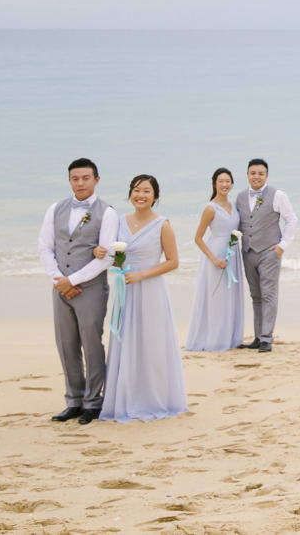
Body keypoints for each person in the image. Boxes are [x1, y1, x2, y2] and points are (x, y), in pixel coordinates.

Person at [98, 175, 187, 422]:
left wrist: (142, 275)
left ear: (155, 196)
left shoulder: (162, 225)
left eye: (147, 191)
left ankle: (152, 398)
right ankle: (125, 396)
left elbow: (173, 262)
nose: (141, 195)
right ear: (130, 194)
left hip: (151, 291)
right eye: (137, 190)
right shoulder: (118, 221)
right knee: (125, 340)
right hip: (124, 288)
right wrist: (102, 254)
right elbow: (107, 251)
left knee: (151, 343)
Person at [38, 157, 117, 425]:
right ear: (69, 180)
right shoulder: (55, 209)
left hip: (91, 288)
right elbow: (45, 247)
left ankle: (94, 402)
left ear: (96, 179)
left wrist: (73, 280)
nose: (80, 183)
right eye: (75, 178)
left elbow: (106, 257)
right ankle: (73, 400)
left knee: (92, 343)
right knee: (66, 344)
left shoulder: (107, 212)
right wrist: (58, 279)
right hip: (60, 286)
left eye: (85, 178)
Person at [234, 158, 298, 353]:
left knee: (269, 294)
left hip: (270, 252)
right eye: (253, 173)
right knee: (256, 296)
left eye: (261, 173)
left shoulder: (278, 195)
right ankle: (257, 336)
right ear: (247, 175)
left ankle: (267, 338)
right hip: (248, 252)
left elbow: (291, 219)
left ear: (266, 176)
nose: (256, 176)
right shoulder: (240, 197)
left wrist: (282, 246)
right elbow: (239, 224)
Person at [185, 168, 244, 352]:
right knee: (217, 299)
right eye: (221, 181)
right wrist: (214, 259)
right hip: (215, 256)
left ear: (232, 184)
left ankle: (231, 339)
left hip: (233, 254)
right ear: (214, 184)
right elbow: (198, 238)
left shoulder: (234, 206)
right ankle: (215, 341)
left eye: (228, 181)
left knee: (231, 297)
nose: (225, 185)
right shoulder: (210, 208)